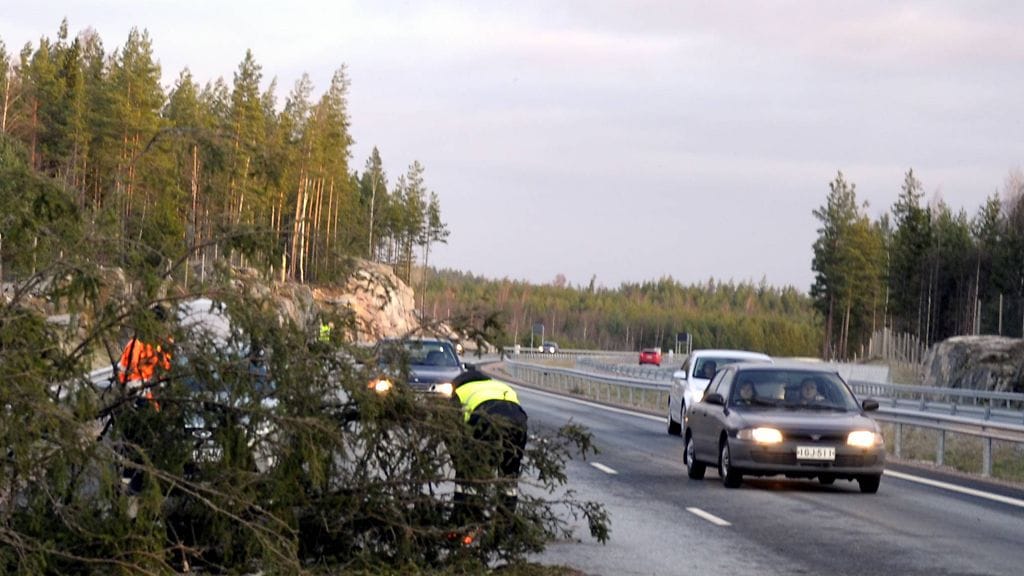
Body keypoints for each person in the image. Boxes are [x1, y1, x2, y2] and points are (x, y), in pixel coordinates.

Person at [450, 369, 529, 525]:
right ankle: (504, 521)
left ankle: (465, 517)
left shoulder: (460, 392)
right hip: (518, 425)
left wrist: (459, 461)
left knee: (469, 473)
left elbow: (453, 432)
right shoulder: (500, 386)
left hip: (484, 421)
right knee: (509, 475)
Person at [118, 305, 172, 411]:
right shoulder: (137, 344)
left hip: (144, 384)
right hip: (133, 386)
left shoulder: (157, 343)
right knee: (149, 408)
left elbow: (165, 365)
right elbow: (132, 368)